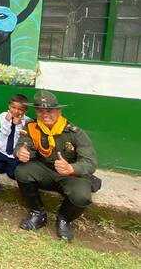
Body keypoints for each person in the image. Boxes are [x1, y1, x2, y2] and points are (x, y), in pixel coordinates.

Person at [15, 90, 98, 242]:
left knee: (82, 197)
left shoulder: (74, 133)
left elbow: (90, 162)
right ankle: (38, 214)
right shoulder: (31, 127)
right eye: (40, 111)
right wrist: (20, 152)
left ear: (59, 111)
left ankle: (64, 219)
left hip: (69, 175)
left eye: (50, 111)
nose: (45, 114)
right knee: (22, 171)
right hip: (45, 170)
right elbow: (22, 146)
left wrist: (71, 168)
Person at [0, 94, 30, 180]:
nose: (16, 111)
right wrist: (7, 120)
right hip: (2, 150)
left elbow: (20, 138)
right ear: (9, 106)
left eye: (20, 109)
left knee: (12, 175)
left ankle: (11, 165)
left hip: (15, 154)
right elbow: (5, 132)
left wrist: (19, 125)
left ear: (26, 110)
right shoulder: (3, 115)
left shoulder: (28, 121)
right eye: (13, 107)